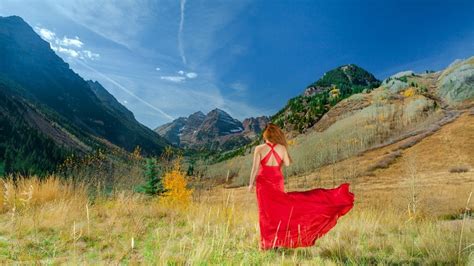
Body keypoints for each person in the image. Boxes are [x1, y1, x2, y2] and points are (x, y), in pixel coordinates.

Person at [248, 123, 354, 250]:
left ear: (266, 136)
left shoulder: (259, 148)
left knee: (266, 213)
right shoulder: (281, 148)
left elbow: (254, 168)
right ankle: (276, 241)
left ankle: (267, 243)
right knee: (281, 210)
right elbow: (287, 163)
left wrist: (250, 184)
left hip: (263, 182)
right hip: (277, 180)